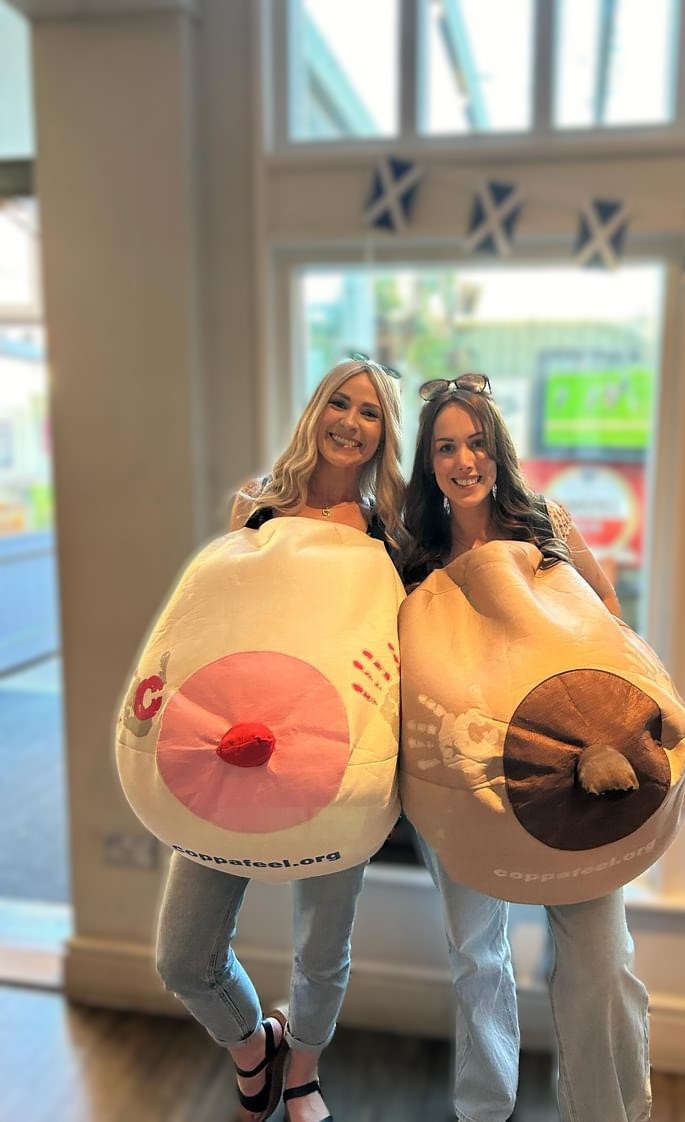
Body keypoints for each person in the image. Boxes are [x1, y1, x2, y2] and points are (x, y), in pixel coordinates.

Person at [155, 356, 405, 1122]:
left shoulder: (389, 533)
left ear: (384, 434)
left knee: (322, 951)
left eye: (370, 412)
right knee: (183, 956)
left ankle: (302, 1073)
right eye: (340, 402)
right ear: (315, 409)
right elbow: (215, 625)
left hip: (336, 764)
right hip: (232, 754)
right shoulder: (255, 508)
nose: (351, 423)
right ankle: (254, 1047)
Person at [401, 374, 650, 1122]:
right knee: (476, 956)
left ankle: (610, 1112)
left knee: (600, 960)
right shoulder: (414, 554)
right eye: (446, 447)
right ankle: (484, 1110)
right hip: (463, 779)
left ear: (498, 448)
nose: (464, 461)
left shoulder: (546, 525)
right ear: (428, 462)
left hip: (572, 766)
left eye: (476, 443)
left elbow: (605, 614)